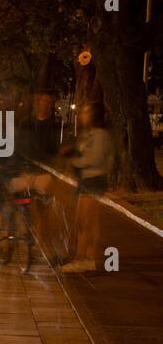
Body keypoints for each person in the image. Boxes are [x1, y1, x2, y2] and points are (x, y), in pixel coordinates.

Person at [59, 102, 111, 274]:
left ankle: (81, 259)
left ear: (95, 114)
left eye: (87, 112)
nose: (83, 115)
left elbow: (95, 158)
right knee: (91, 221)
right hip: (87, 180)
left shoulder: (100, 135)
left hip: (94, 180)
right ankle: (90, 258)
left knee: (83, 221)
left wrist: (75, 162)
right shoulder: (88, 134)